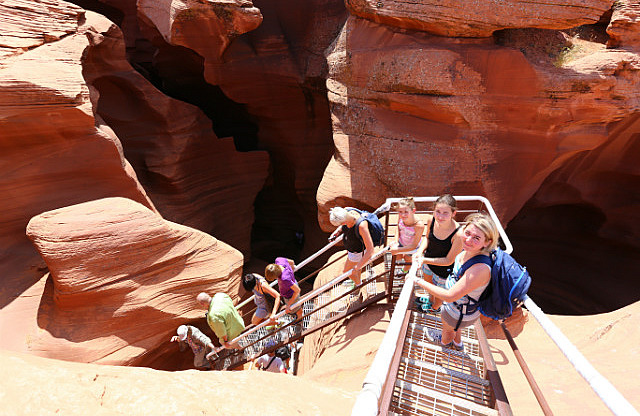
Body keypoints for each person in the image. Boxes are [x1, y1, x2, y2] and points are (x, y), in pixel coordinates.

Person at [415, 212, 498, 351]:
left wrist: (416, 280)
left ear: (487, 242)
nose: (468, 240)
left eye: (476, 237)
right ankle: (458, 344)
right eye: (467, 233)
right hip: (460, 309)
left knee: (447, 330)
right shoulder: (470, 251)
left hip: (457, 311)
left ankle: (445, 344)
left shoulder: (480, 268)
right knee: (454, 328)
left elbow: (450, 296)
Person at [413, 194, 463, 312]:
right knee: (429, 286)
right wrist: (420, 252)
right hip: (428, 263)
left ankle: (435, 307)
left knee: (440, 293)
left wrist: (424, 259)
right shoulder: (432, 219)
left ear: (453, 213)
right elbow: (427, 238)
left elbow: (448, 260)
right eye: (437, 211)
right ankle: (430, 301)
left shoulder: (458, 234)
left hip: (443, 272)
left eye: (445, 213)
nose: (440, 216)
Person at [328, 206, 376, 286]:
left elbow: (370, 250)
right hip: (353, 248)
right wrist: (338, 231)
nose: (342, 225)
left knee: (347, 272)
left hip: (357, 252)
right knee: (355, 271)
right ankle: (358, 279)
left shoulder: (361, 225)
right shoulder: (347, 211)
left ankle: (358, 284)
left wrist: (357, 267)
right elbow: (344, 223)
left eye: (341, 223)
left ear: (343, 222)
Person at [388, 197, 425, 272]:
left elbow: (414, 245)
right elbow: (398, 228)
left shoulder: (419, 225)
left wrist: (398, 250)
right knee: (397, 257)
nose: (403, 214)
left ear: (413, 211)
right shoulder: (401, 217)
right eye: (400, 212)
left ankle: (403, 271)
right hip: (401, 242)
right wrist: (395, 242)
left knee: (408, 260)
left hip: (412, 248)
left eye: (406, 212)